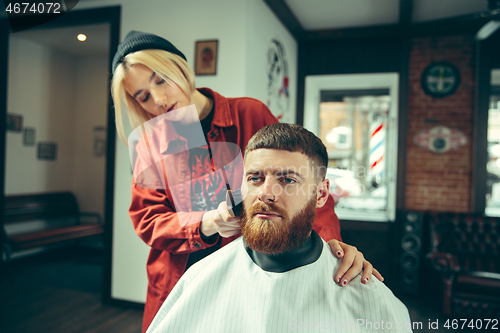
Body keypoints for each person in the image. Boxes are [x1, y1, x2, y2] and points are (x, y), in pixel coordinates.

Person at [110, 31, 383, 332]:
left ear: (180, 67)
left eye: (160, 79)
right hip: (179, 279)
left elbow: (303, 182)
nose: (159, 100)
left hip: (249, 278)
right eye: (143, 96)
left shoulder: (249, 114)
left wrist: (333, 246)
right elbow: (148, 219)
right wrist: (206, 223)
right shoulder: (152, 143)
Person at [145, 123, 412, 333]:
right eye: (255, 178)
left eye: (287, 179)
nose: (266, 193)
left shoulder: (365, 294)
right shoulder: (200, 278)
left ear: (320, 194)